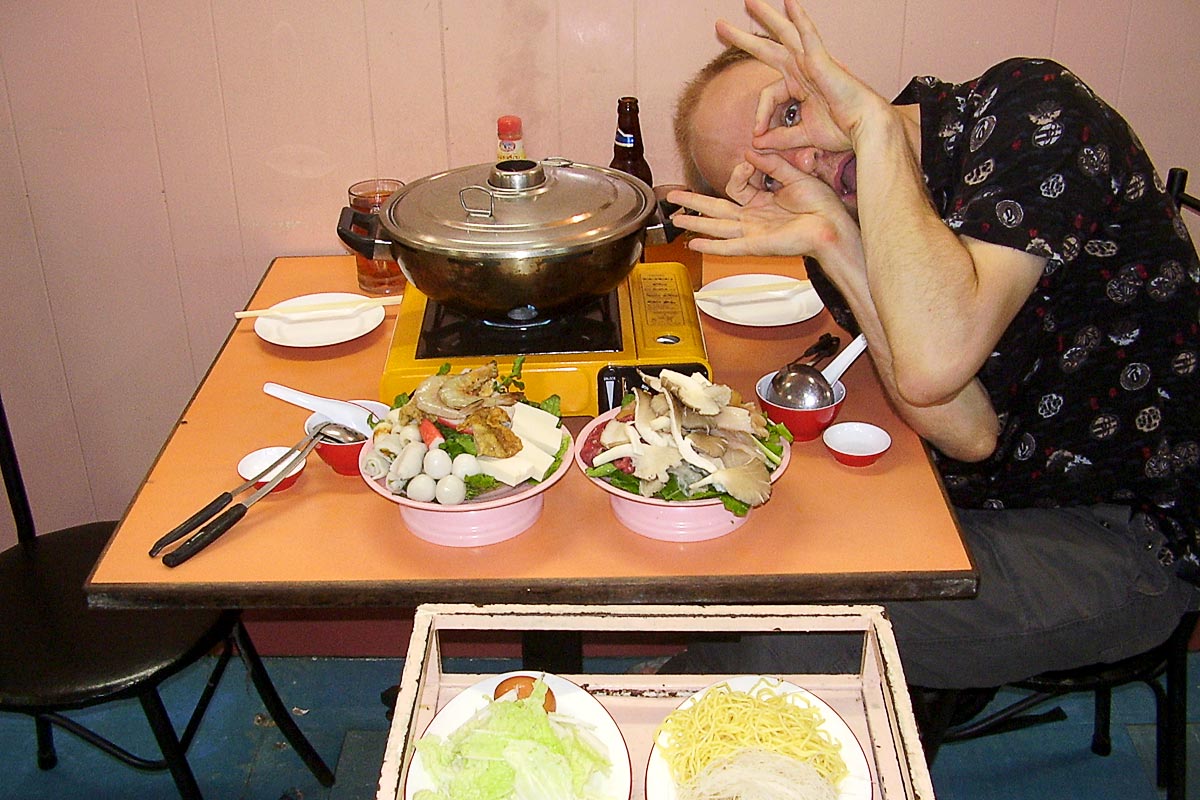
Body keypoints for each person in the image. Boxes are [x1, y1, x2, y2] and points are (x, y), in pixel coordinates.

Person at [662, 0, 1200, 751]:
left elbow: (934, 362)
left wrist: (876, 125)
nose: (807, 160)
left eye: (791, 113)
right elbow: (968, 429)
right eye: (767, 174)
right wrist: (833, 238)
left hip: (1126, 539)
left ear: (826, 76)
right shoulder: (844, 214)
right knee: (738, 552)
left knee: (790, 638)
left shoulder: (1031, 111)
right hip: (986, 498)